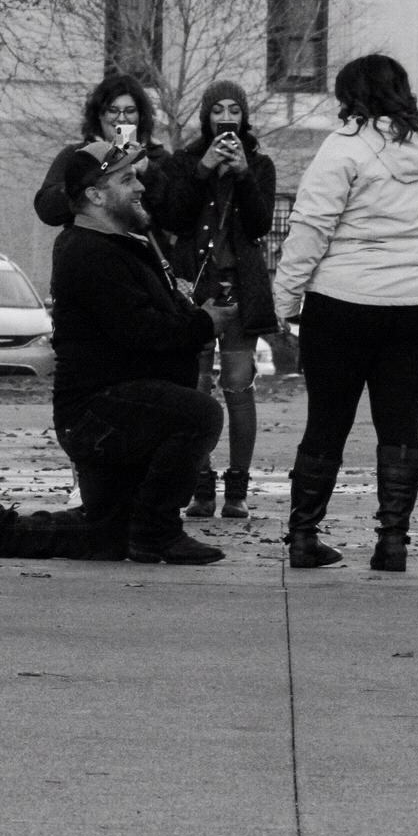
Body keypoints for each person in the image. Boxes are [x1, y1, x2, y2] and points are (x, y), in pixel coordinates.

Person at [272, 53, 418, 573]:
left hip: (343, 300)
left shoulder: (343, 149)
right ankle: (392, 542)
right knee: (401, 421)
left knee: (327, 419)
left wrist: (286, 298)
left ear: (350, 98)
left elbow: (311, 227)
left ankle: (304, 537)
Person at [50, 137, 226, 565]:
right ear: (95, 195)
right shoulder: (90, 252)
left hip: (114, 411)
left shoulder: (117, 245)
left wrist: (184, 306)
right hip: (98, 416)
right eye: (127, 179)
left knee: (103, 537)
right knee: (199, 414)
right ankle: (157, 535)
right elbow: (142, 331)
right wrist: (204, 323)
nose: (140, 187)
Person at [164, 80, 277, 520]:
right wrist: (203, 170)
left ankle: (237, 490)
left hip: (239, 290)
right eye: (217, 110)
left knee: (238, 387)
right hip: (194, 289)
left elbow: (260, 225)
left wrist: (243, 174)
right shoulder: (184, 161)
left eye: (233, 109)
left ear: (243, 117)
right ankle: (201, 487)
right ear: (206, 116)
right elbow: (175, 217)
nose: (226, 117)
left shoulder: (260, 164)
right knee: (194, 389)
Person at [33, 71, 174, 234]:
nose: (121, 118)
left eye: (129, 111)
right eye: (113, 110)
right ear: (99, 114)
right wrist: (91, 175)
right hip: (89, 245)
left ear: (141, 116)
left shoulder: (159, 158)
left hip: (140, 247)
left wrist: (149, 172)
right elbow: (47, 211)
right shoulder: (77, 155)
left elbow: (176, 219)